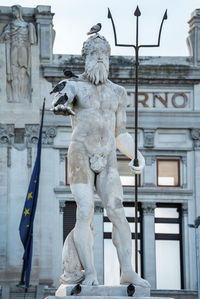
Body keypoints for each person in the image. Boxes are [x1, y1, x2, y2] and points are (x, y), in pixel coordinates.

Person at [52, 34, 150, 288]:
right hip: (80, 156)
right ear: (85, 58)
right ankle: (91, 273)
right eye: (94, 54)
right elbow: (61, 98)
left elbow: (122, 133)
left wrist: (136, 154)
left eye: (103, 55)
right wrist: (60, 106)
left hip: (107, 159)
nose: (99, 59)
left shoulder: (118, 92)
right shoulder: (73, 85)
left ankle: (127, 270)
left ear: (109, 59)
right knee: (85, 211)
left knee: (117, 211)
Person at [0, 5, 36, 102]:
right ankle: (15, 96)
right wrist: (5, 34)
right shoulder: (10, 26)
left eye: (15, 11)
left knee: (22, 76)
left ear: (19, 12)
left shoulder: (27, 26)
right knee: (14, 75)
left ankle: (23, 96)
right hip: (14, 51)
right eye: (12, 11)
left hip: (23, 51)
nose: (13, 13)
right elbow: (2, 39)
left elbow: (32, 42)